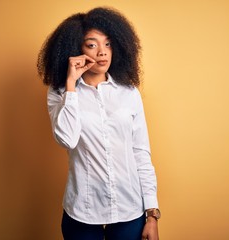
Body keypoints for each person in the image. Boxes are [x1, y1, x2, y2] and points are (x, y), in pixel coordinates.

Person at [37, 7, 160, 240]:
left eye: (108, 44)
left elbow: (141, 153)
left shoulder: (129, 93)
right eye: (92, 45)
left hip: (129, 209)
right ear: (76, 50)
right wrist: (71, 83)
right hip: (82, 211)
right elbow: (67, 139)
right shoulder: (60, 94)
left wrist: (152, 214)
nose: (102, 52)